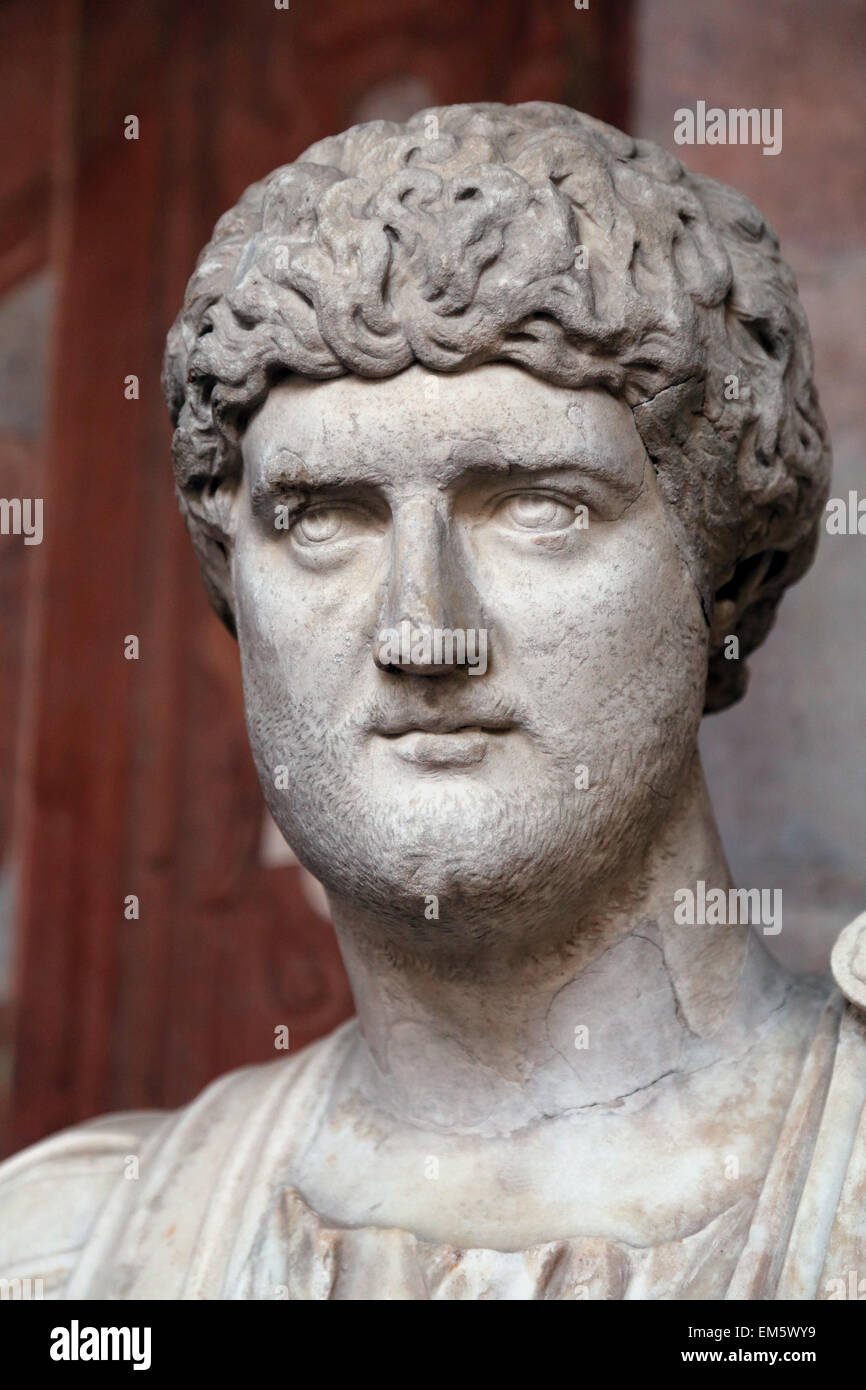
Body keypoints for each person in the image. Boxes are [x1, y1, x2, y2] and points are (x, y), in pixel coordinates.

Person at [1, 102, 862, 1301]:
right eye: (324, 518)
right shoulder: (72, 1259)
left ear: (720, 571)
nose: (422, 630)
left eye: (535, 504)